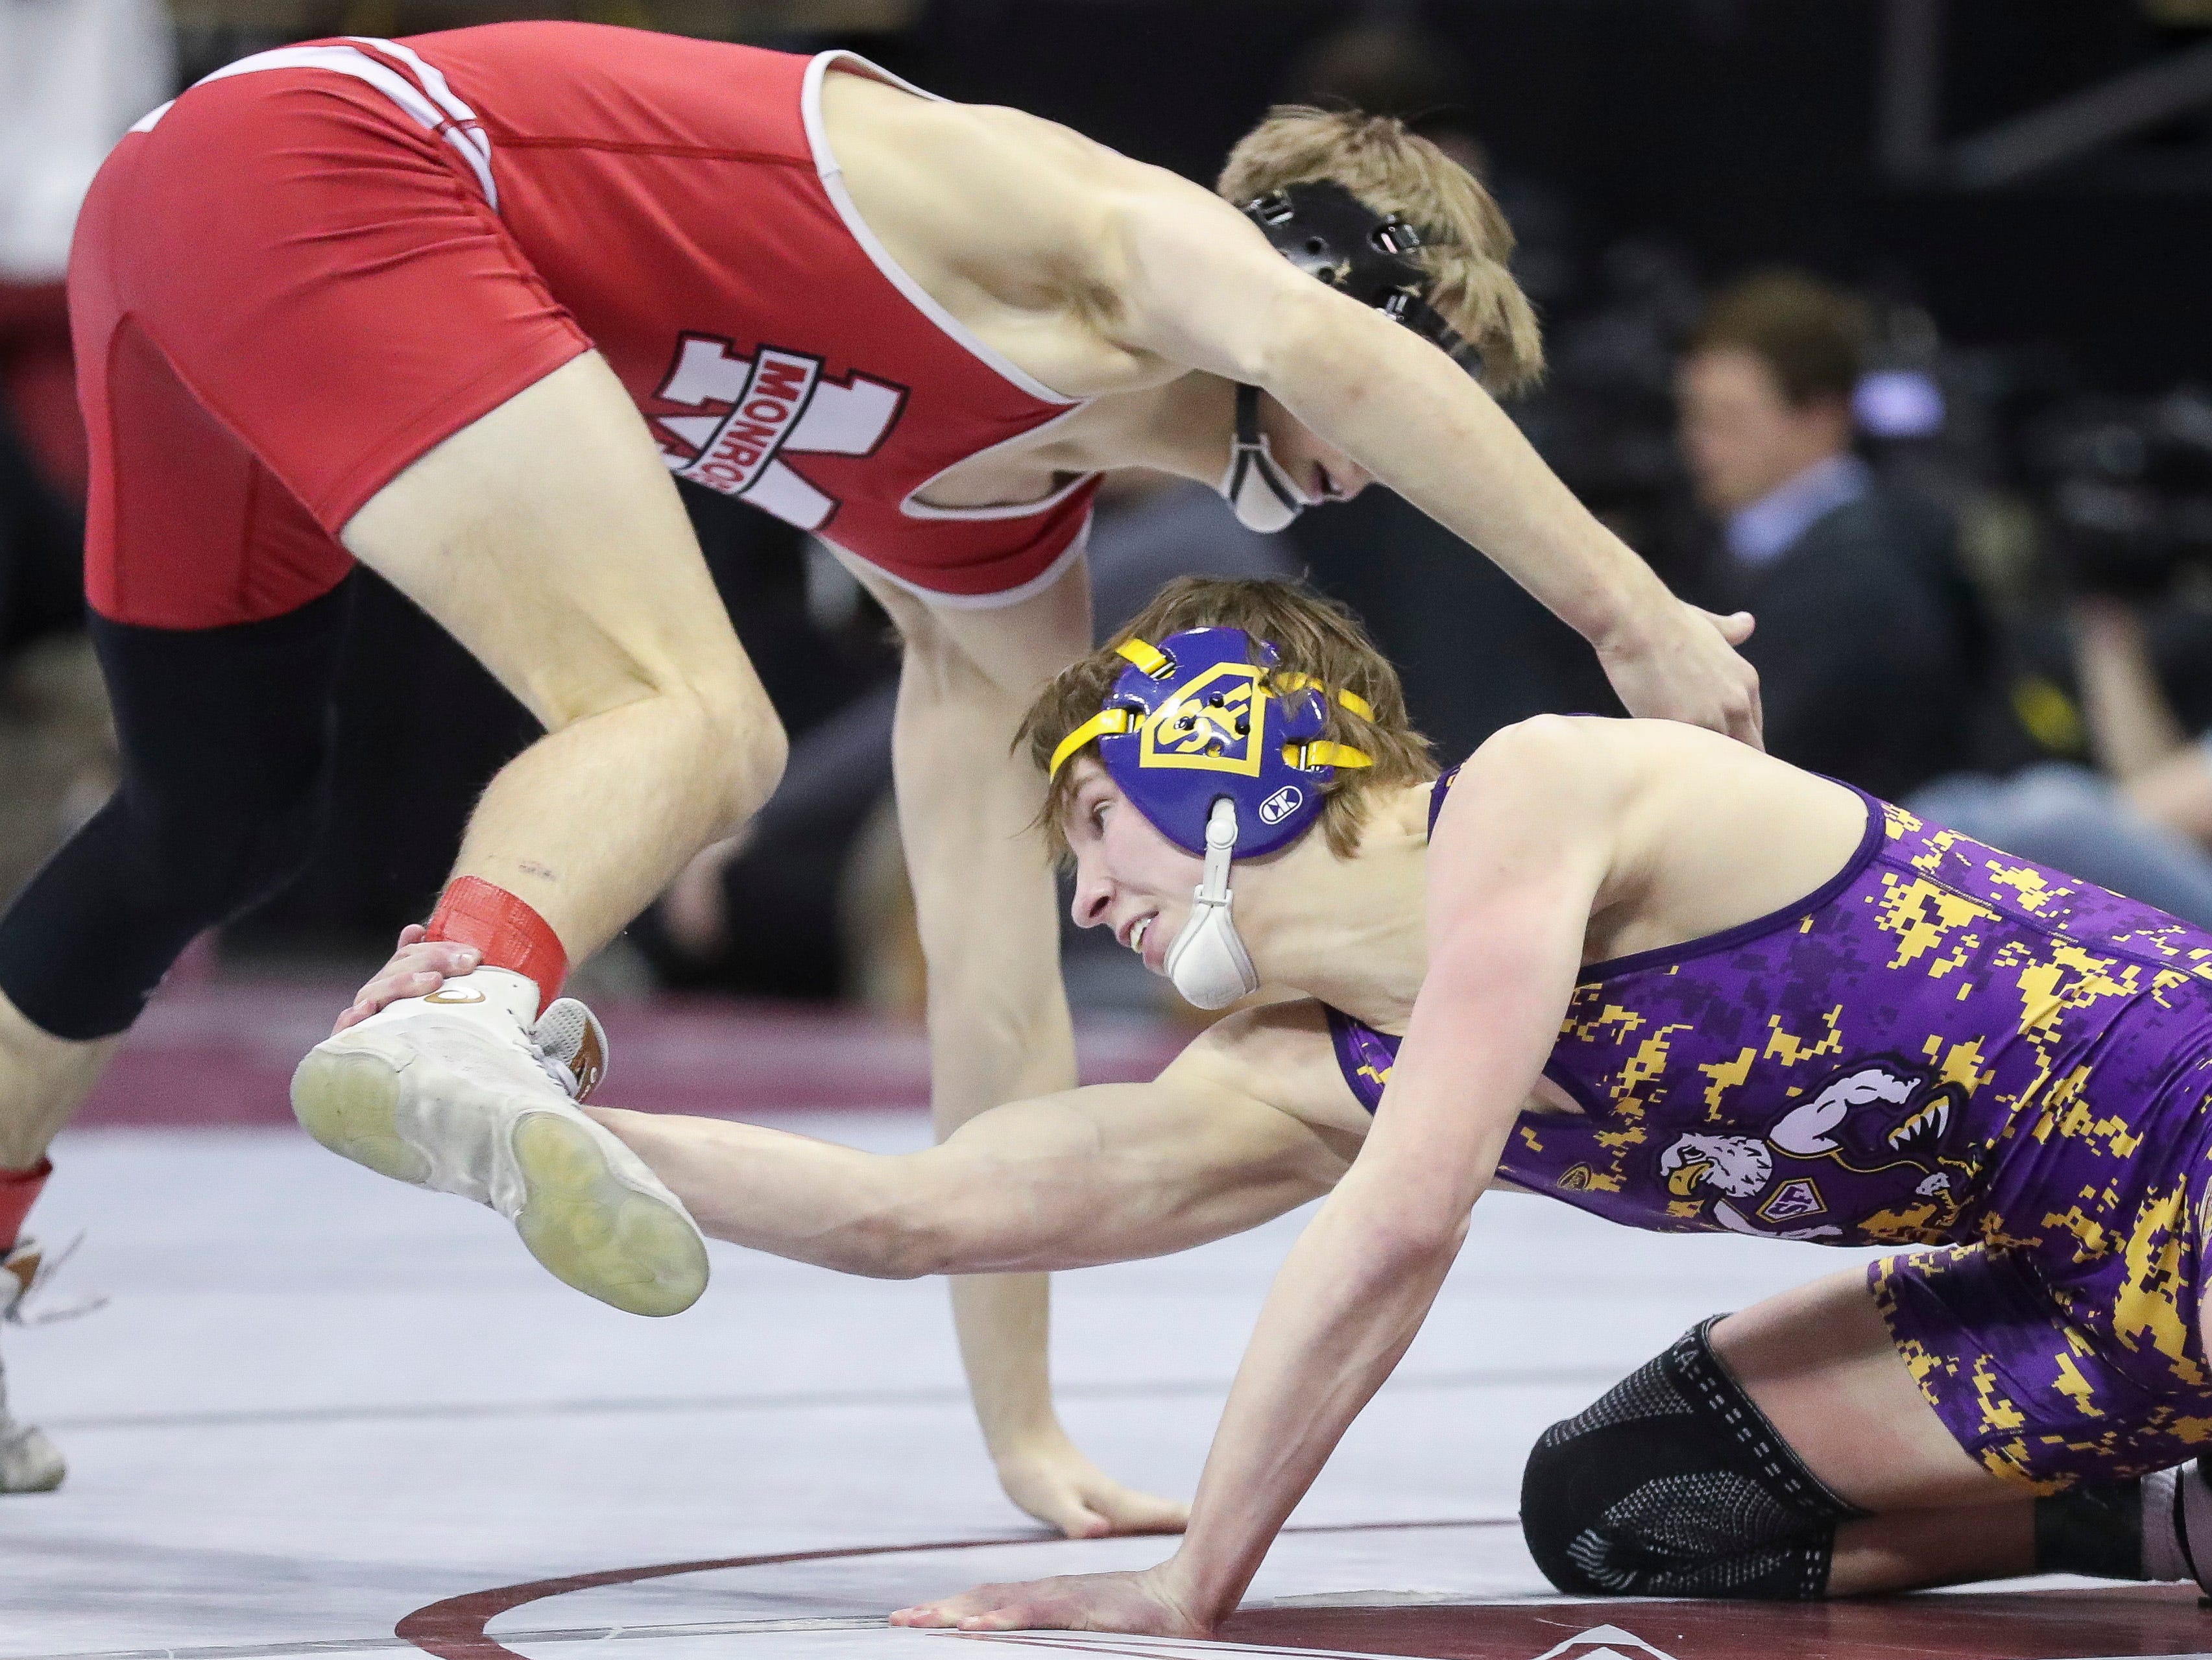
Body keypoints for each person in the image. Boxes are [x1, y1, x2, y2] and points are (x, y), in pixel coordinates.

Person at [0, 25, 1762, 1506]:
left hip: (190, 231)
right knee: (697, 715)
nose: (1383, 462)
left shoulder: (995, 562)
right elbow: (1328, 355)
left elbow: (997, 1004)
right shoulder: (1094, 229)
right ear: (1340, 296)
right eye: (1426, 374)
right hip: (327, 165)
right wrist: (1637, 618)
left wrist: (1022, 1423)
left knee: (210, 819)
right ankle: (458, 999)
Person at [544, 575, 2212, 1626]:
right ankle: (2172, 1518)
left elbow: (1405, 1224)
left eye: (1095, 835)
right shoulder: (1303, 1065)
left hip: (2190, 1147)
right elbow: (927, 1211)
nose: (1086, 906)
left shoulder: (1539, 787)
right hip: (2072, 1287)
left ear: (1218, 763)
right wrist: (543, 1120)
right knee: (1624, 1507)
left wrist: (1188, 1585)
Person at [1678, 270, 1981, 802]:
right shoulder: (1715, 545)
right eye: (1694, 417)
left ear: (1821, 417)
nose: (1699, 444)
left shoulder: (1873, 574)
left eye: (1728, 418)